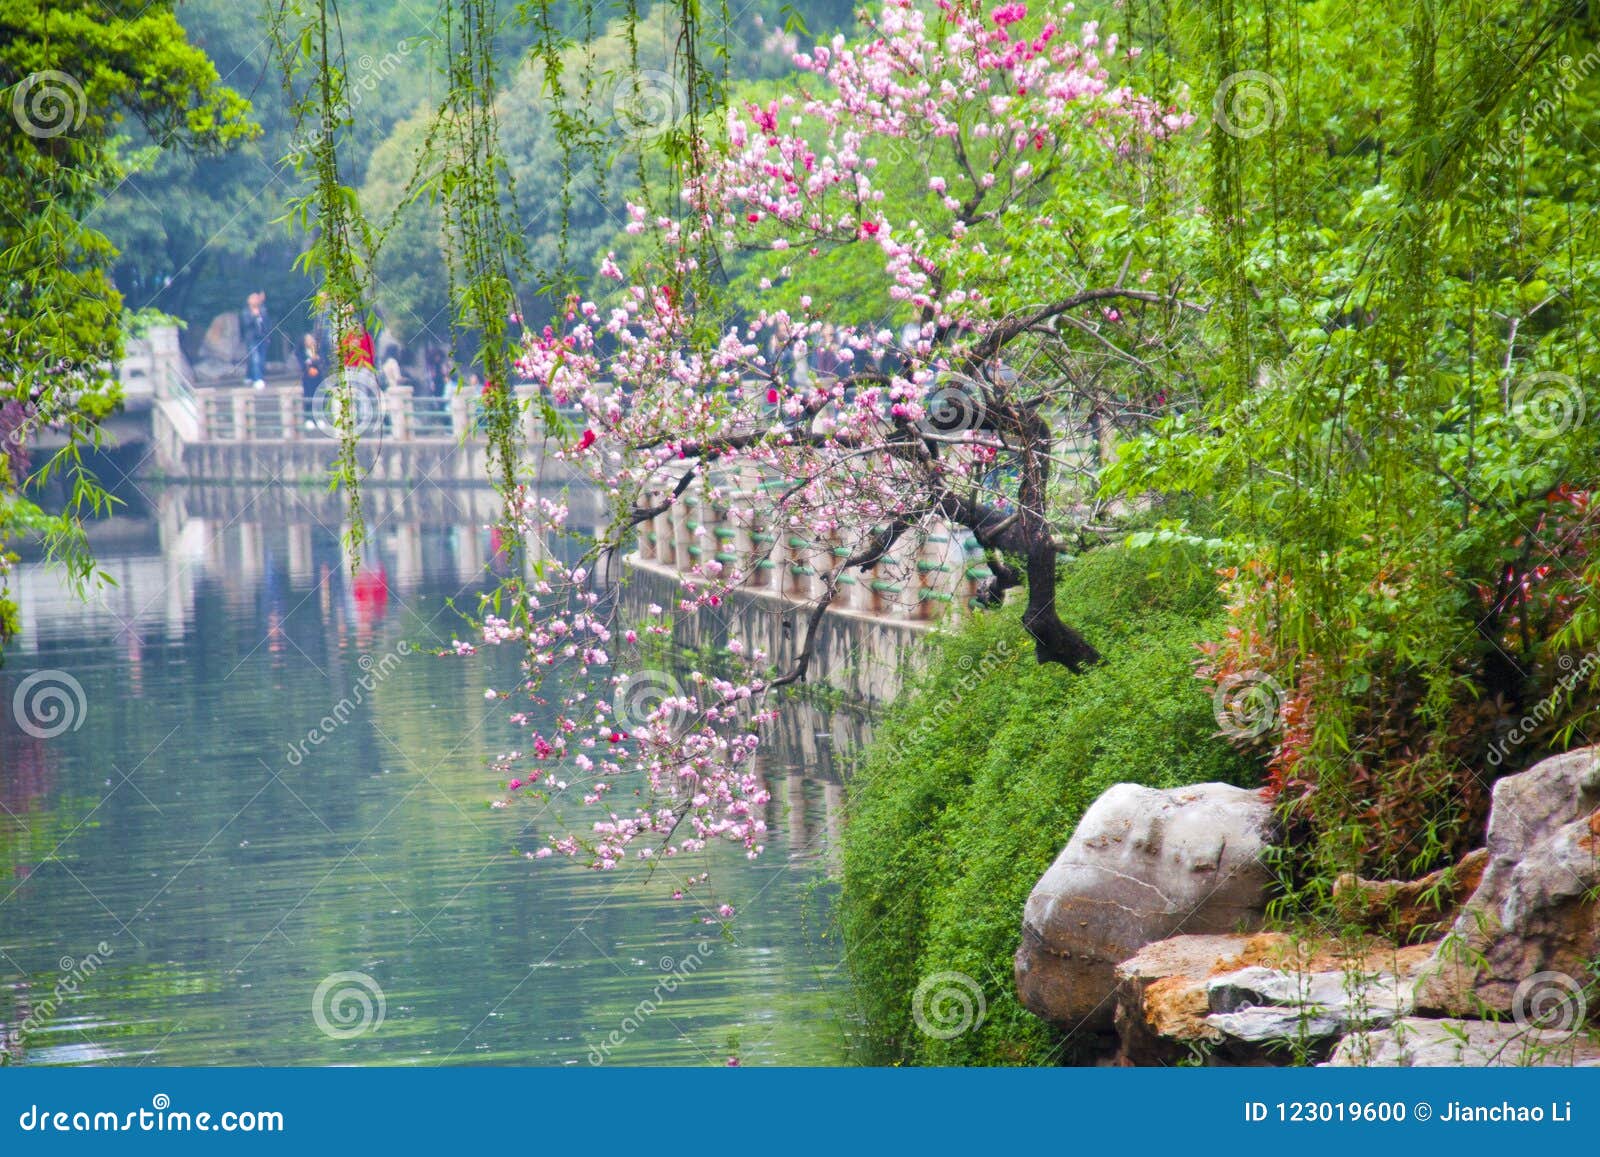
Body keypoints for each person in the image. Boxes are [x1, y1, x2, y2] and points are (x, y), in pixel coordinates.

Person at [241, 291, 271, 388]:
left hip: (262, 337)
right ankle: (258, 379)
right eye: (253, 298)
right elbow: (246, 324)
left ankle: (249, 376)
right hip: (252, 339)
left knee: (261, 360)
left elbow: (267, 324)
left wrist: (268, 336)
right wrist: (254, 316)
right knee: (255, 359)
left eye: (256, 298)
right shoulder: (246, 312)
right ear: (249, 301)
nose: (255, 300)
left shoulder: (263, 310)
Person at [296, 333, 324, 428]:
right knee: (308, 397)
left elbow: (321, 361)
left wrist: (315, 360)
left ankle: (319, 418)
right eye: (308, 340)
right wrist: (310, 361)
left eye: (311, 339)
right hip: (307, 378)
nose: (310, 341)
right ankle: (308, 419)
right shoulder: (300, 352)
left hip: (317, 377)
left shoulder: (317, 350)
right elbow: (302, 363)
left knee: (318, 397)